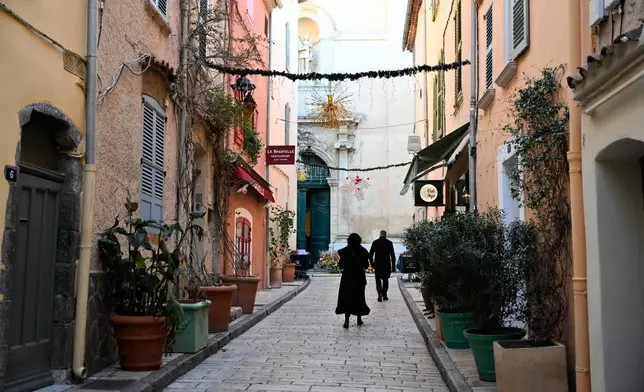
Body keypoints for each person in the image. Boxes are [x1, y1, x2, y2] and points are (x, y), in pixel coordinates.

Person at [335, 233, 371, 329]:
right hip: (359, 277)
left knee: (347, 298)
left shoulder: (345, 251)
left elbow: (341, 265)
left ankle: (346, 320)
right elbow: (366, 266)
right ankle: (359, 319)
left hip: (347, 277)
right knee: (359, 297)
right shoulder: (363, 251)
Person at [369, 230, 396, 302]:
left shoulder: (375, 242)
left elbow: (370, 254)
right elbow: (392, 255)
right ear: (385, 235)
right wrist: (393, 266)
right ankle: (384, 294)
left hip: (377, 264)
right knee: (385, 280)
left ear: (380, 235)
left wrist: (372, 264)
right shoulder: (389, 243)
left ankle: (379, 292)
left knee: (377, 280)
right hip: (386, 264)